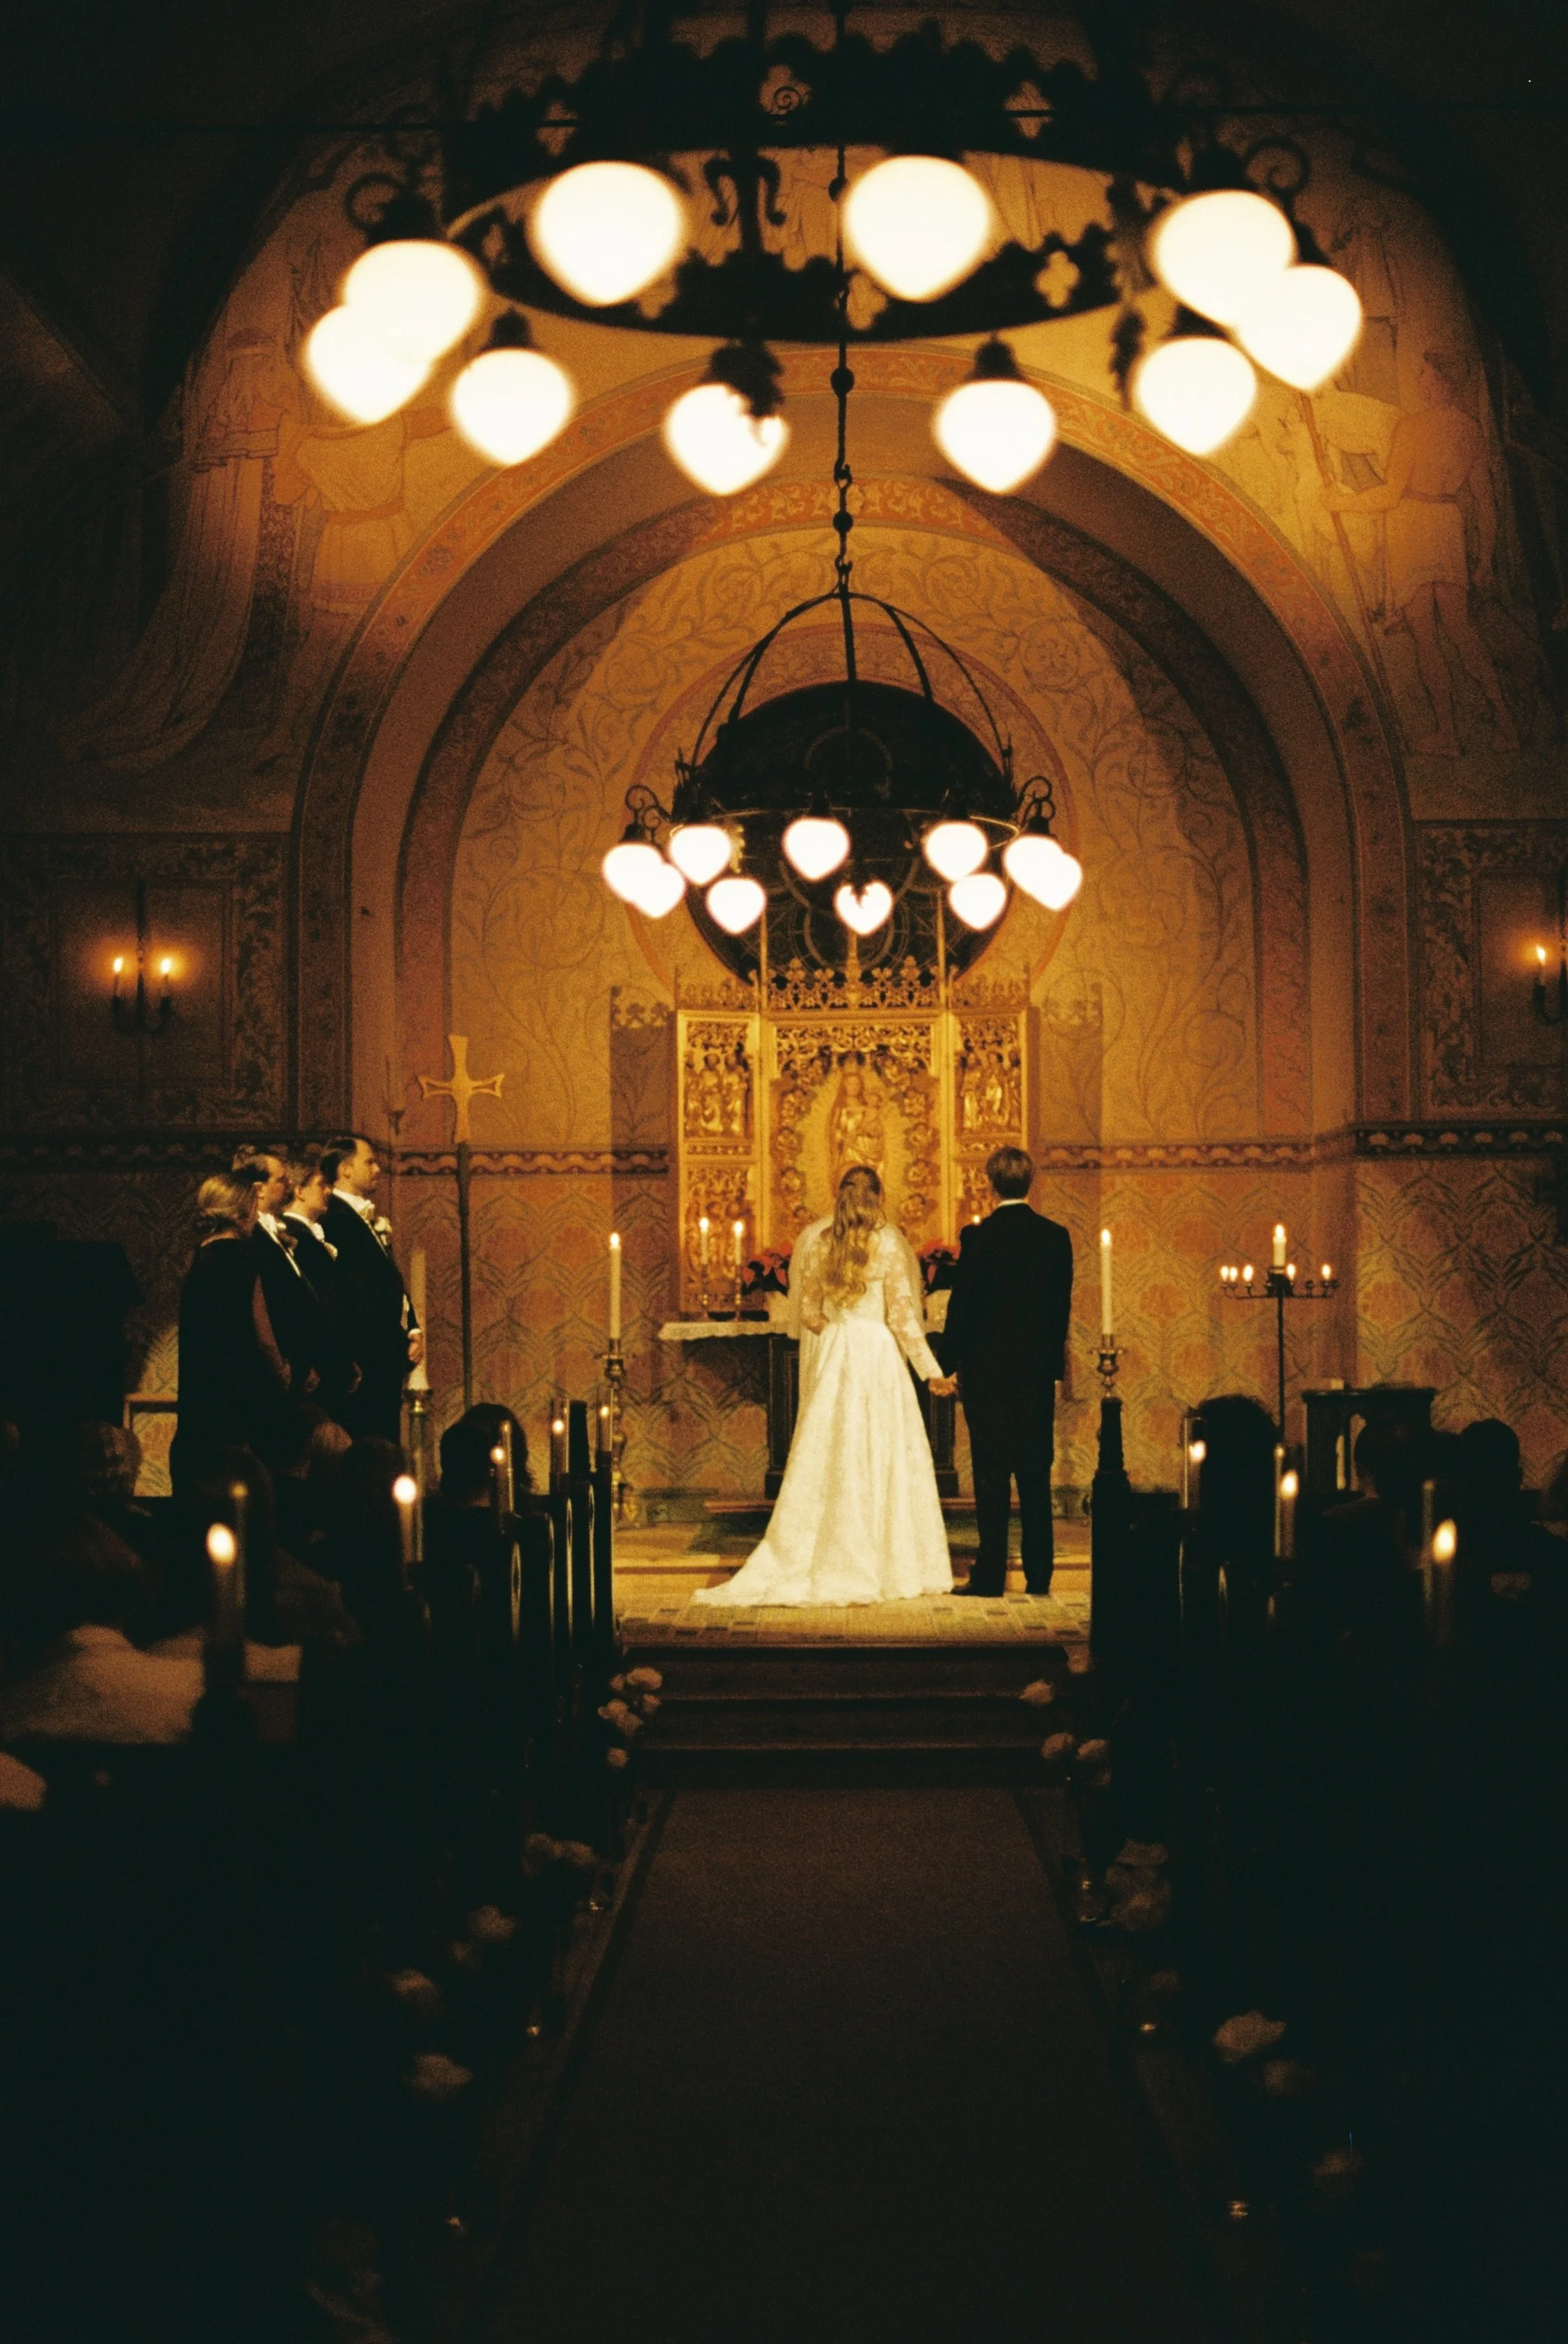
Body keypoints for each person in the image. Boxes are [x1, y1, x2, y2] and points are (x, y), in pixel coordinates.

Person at [695, 1165, 955, 1606]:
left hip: (838, 1352)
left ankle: (826, 1556)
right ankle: (887, 1562)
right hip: (877, 1356)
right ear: (879, 1197)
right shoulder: (889, 1244)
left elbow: (808, 1316)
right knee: (881, 1454)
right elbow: (904, 1321)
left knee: (834, 1455)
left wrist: (839, 1328)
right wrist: (932, 1372)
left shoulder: (818, 1244)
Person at [940, 1146, 1073, 1597]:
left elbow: (963, 1308)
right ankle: (1039, 1576)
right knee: (1035, 1474)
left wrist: (945, 1364)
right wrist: (1053, 1371)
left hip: (988, 1374)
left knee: (991, 1477)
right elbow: (1060, 1312)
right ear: (1028, 1182)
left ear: (989, 1183)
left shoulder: (979, 1238)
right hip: (1034, 1374)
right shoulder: (1055, 1237)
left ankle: (991, 1574)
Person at [170, 1172, 293, 1496]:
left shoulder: (196, 1259)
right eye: (252, 1209)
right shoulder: (243, 1261)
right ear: (240, 1214)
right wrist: (282, 1371)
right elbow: (262, 1331)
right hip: (239, 1398)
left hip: (199, 1401)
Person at [321, 1135, 422, 1444]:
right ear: (346, 1169)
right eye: (370, 1162)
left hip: (384, 1357)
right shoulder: (333, 1218)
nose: (378, 1169)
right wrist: (389, 1343)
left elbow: (389, 1279)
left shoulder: (366, 1217)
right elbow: (354, 1293)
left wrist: (413, 1328)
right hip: (365, 1360)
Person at [282, 1142, 361, 1426]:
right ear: (299, 1190)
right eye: (320, 1185)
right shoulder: (294, 1237)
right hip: (319, 1367)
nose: (328, 1191)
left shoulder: (312, 1236)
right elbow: (316, 1307)